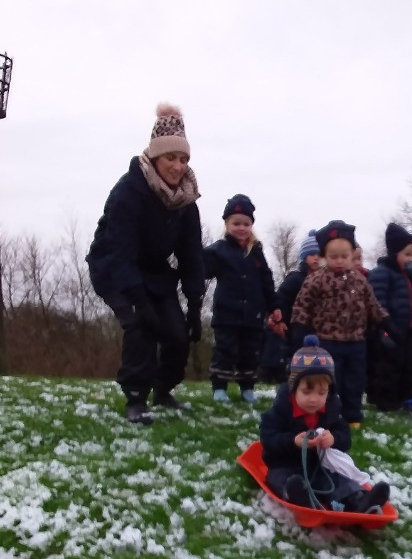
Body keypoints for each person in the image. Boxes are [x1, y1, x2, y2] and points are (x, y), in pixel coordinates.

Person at [87, 103, 205, 424]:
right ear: (154, 157)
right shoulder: (128, 192)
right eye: (170, 158)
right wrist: (138, 301)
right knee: (141, 325)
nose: (178, 167)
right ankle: (135, 399)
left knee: (178, 335)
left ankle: (163, 389)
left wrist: (194, 303)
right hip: (113, 267)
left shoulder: (185, 202)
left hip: (153, 271)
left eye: (183, 160)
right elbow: (119, 250)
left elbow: (192, 254)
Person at [259, 335, 390, 512]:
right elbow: (268, 437)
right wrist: (293, 441)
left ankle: (360, 501)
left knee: (338, 479)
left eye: (322, 393)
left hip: (319, 468)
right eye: (307, 391)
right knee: (281, 477)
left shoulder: (331, 410)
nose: (314, 399)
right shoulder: (282, 409)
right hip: (285, 464)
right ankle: (296, 495)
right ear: (293, 388)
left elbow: (345, 437)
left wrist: (333, 439)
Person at [290, 220, 390, 426]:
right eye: (333, 257)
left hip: (356, 341)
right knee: (332, 380)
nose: (339, 261)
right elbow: (302, 305)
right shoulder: (317, 279)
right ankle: (329, 414)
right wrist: (299, 328)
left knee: (355, 380)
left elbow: (372, 304)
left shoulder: (360, 280)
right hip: (326, 341)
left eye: (344, 256)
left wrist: (386, 322)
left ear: (352, 255)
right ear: (324, 257)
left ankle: (353, 415)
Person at [203, 194, 279, 403]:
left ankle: (247, 388)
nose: (241, 228)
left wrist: (274, 306)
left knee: (250, 353)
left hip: (253, 314)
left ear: (251, 225)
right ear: (227, 224)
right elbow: (204, 270)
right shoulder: (218, 250)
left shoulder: (256, 252)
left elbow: (266, 279)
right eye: (236, 223)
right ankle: (220, 388)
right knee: (224, 350)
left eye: (246, 223)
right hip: (227, 313)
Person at [367, 222, 412, 410]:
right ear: (395, 253)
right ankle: (387, 402)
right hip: (390, 329)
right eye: (407, 255)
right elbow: (378, 302)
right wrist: (387, 326)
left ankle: (410, 400)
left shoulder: (409, 275)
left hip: (409, 329)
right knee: (389, 368)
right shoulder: (382, 274)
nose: (410, 259)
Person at [262, 231, 322, 384]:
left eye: (319, 254)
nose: (316, 258)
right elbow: (281, 298)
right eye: (312, 254)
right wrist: (279, 320)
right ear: (304, 257)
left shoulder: (324, 281)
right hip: (292, 324)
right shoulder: (296, 278)